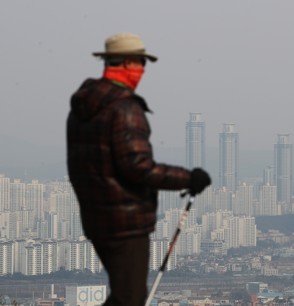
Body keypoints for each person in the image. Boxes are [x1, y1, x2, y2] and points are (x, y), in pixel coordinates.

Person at [66, 32, 211, 306]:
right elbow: (138, 167)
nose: (143, 70)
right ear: (126, 63)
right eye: (140, 63)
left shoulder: (83, 108)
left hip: (97, 219)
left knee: (124, 296)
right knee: (130, 299)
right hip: (126, 222)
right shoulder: (124, 108)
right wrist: (188, 178)